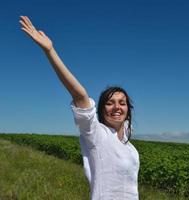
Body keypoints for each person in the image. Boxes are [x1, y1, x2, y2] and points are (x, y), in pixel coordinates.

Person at [19, 16, 140, 200]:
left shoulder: (128, 145)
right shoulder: (96, 134)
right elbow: (80, 96)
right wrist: (50, 50)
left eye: (122, 103)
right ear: (101, 110)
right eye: (110, 102)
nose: (116, 107)